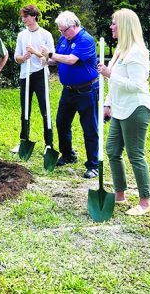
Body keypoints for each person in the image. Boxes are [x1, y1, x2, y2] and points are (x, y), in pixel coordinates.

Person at [98, 9, 150, 216]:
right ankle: (120, 195)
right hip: (120, 109)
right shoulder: (120, 50)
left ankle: (145, 201)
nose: (111, 26)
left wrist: (110, 73)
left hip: (136, 108)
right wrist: (107, 104)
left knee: (135, 155)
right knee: (112, 150)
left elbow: (137, 85)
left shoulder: (137, 52)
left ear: (125, 25)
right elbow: (114, 85)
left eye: (114, 23)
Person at [40, 11, 99, 178]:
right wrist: (47, 60)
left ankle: (93, 164)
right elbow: (58, 58)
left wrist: (50, 54)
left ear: (74, 26)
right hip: (68, 90)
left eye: (64, 30)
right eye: (59, 31)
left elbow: (72, 59)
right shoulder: (64, 39)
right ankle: (68, 154)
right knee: (62, 122)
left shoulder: (85, 39)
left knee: (89, 127)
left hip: (86, 90)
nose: (62, 34)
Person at [11, 5, 55, 153]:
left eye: (26, 16)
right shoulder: (22, 35)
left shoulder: (45, 34)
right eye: (22, 16)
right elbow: (16, 57)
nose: (23, 19)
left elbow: (51, 58)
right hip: (25, 74)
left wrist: (35, 52)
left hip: (40, 74)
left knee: (45, 109)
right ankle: (24, 141)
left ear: (34, 16)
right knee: (25, 109)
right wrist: (23, 58)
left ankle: (49, 144)